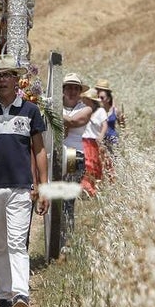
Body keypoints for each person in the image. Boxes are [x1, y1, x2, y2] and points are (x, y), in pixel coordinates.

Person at [0, 55, 49, 307]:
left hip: (20, 187)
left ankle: (21, 294)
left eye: (7, 75)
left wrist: (42, 186)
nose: (1, 80)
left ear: (16, 79)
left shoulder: (30, 111)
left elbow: (39, 150)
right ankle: (4, 299)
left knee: (17, 243)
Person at [59, 73, 94, 239]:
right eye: (69, 87)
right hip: (55, 154)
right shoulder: (57, 106)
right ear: (63, 90)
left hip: (74, 154)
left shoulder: (85, 109)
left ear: (80, 91)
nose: (72, 91)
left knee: (67, 198)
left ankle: (66, 239)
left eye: (75, 88)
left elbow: (74, 122)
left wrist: (52, 112)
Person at [94, 79, 123, 181]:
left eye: (102, 97)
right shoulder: (96, 111)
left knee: (113, 163)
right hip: (100, 140)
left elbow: (123, 125)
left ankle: (113, 181)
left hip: (113, 140)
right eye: (98, 96)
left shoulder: (115, 110)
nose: (99, 99)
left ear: (108, 97)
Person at [80, 88, 106, 196]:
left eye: (87, 99)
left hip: (93, 141)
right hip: (83, 140)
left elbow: (104, 125)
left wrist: (101, 135)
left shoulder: (100, 111)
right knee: (86, 164)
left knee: (94, 164)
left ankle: (92, 188)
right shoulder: (83, 110)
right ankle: (85, 188)